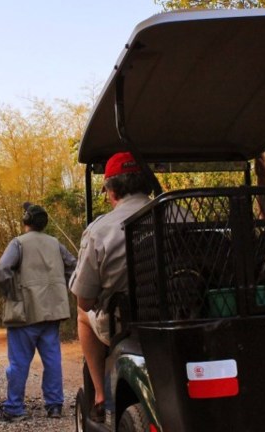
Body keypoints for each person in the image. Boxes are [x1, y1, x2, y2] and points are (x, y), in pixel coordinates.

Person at [69, 151, 152, 423]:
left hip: (127, 320)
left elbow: (84, 301)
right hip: (183, 310)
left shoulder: (100, 229)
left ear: (112, 190)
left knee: (82, 316)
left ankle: (100, 394)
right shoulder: (179, 212)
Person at [0, 203, 77, 421]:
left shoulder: (18, 243)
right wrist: (62, 288)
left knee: (20, 361)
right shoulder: (55, 243)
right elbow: (73, 266)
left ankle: (15, 408)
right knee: (52, 359)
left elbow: (2, 270)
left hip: (25, 312)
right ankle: (55, 406)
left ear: (25, 221)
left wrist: (10, 292)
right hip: (53, 310)